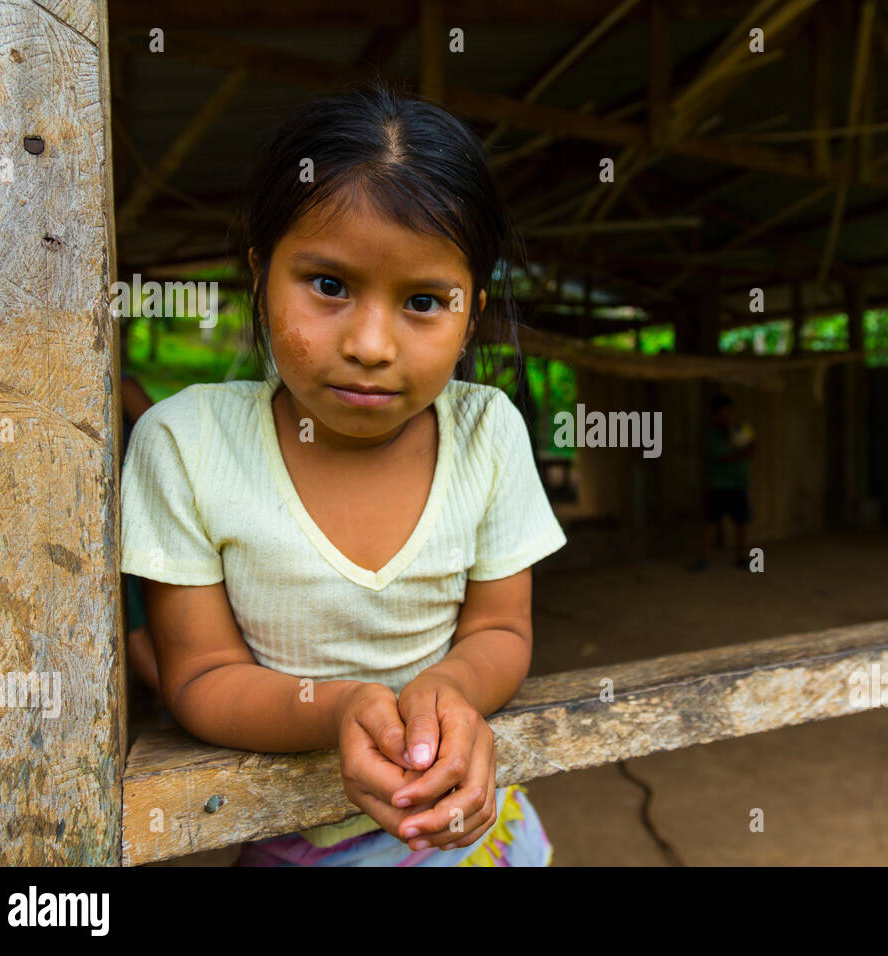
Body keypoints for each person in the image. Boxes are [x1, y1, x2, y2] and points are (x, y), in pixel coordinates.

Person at [119, 84, 568, 865]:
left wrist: (453, 690)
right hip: (302, 845)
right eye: (328, 285)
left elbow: (501, 627)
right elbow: (200, 676)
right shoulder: (186, 444)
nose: (369, 343)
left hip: (488, 837)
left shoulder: (487, 431)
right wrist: (337, 711)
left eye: (424, 300)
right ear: (260, 275)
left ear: (472, 311)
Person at [119, 372, 161, 693]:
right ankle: (170, 697)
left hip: (137, 502)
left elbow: (158, 431)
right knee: (129, 610)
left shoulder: (120, 384)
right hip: (112, 515)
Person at [690, 393, 755, 571]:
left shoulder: (740, 430)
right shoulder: (711, 435)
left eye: (730, 412)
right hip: (718, 486)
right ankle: (703, 559)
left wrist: (747, 447)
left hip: (738, 484)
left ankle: (741, 557)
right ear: (715, 415)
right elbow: (722, 457)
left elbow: (751, 450)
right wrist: (740, 453)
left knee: (742, 523)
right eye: (723, 412)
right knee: (711, 523)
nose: (728, 415)